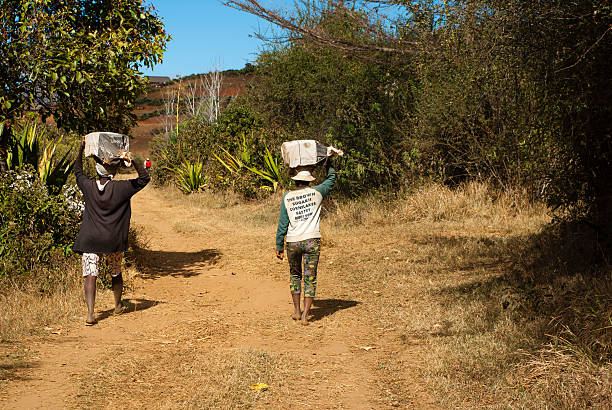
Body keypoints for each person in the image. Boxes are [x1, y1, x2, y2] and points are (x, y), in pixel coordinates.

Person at [73, 138, 150, 326]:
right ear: (114, 172)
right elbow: (144, 178)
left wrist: (82, 148)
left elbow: (77, 172)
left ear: (97, 171)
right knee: (115, 272)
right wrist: (132, 160)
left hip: (90, 239)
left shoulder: (88, 186)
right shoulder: (121, 188)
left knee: (90, 274)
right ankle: (117, 305)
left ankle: (91, 315)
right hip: (113, 240)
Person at [275, 160, 336, 326]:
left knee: (295, 275)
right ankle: (305, 316)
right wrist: (329, 161)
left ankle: (296, 311)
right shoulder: (317, 192)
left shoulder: (287, 197)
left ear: (295, 181)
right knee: (310, 277)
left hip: (293, 243)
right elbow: (331, 178)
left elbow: (282, 224)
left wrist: (279, 246)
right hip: (312, 241)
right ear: (310, 180)